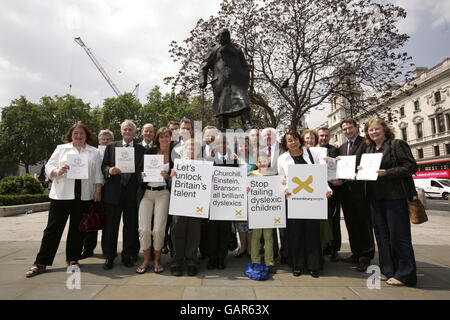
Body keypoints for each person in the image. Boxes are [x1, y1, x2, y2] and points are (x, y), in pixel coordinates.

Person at [26, 123, 104, 277]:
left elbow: (97, 173)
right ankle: (41, 262)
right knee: (53, 229)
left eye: (82, 134)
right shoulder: (61, 149)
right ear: (71, 135)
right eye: (76, 133)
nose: (79, 136)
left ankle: (73, 259)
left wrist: (98, 190)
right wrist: (57, 171)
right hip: (61, 195)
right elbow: (49, 167)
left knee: (78, 229)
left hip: (83, 195)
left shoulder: (94, 152)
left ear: (86, 135)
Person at [362, 118, 418, 286]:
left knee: (399, 236)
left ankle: (406, 274)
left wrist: (387, 172)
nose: (374, 132)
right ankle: (387, 270)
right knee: (382, 236)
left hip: (395, 198)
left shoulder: (396, 145)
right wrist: (362, 170)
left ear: (385, 130)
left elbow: (411, 167)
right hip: (376, 199)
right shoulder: (370, 149)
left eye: (377, 129)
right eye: (370, 130)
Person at [278, 131, 332, 278]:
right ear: (286, 144)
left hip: (312, 200)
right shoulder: (283, 158)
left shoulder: (312, 154)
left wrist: (327, 190)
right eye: (289, 141)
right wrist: (285, 189)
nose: (293, 143)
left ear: (299, 140)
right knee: (295, 233)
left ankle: (314, 265)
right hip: (293, 200)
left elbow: (320, 174)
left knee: (312, 232)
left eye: (295, 139)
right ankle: (297, 265)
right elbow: (281, 178)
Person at [101, 120, 146, 270]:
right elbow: (104, 165)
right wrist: (109, 170)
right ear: (121, 132)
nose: (127, 132)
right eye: (125, 129)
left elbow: (143, 170)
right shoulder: (111, 147)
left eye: (130, 129)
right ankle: (109, 256)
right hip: (114, 192)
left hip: (132, 193)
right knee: (111, 227)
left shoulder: (141, 150)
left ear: (135, 132)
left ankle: (128, 255)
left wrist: (143, 175)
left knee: (131, 226)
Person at [338, 118, 375, 272]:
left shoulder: (366, 143)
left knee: (364, 225)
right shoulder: (342, 147)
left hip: (362, 191)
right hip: (346, 193)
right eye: (345, 129)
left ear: (356, 127)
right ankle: (355, 253)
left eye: (350, 128)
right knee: (351, 224)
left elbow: (370, 165)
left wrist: (359, 172)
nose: (347, 131)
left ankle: (365, 257)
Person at [135, 127, 173, 274]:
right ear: (158, 139)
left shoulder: (174, 155)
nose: (164, 139)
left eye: (167, 136)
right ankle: (145, 260)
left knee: (158, 230)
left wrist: (168, 176)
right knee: (144, 229)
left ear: (171, 138)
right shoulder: (150, 152)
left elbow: (176, 176)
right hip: (147, 193)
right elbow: (139, 171)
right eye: (162, 137)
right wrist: (142, 174)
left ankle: (157, 261)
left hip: (163, 194)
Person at [199, 28, 252, 131]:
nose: (225, 36)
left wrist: (245, 76)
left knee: (243, 101)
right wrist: (202, 79)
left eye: (227, 34)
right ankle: (223, 126)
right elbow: (204, 66)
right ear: (218, 37)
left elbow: (244, 65)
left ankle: (247, 123)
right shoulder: (213, 50)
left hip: (237, 82)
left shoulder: (237, 49)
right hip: (221, 83)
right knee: (222, 104)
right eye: (223, 35)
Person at [170, 139, 203, 276]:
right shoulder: (178, 164)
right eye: (190, 147)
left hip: (196, 204)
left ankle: (191, 261)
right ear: (185, 149)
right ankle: (177, 261)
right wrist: (172, 177)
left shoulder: (204, 165)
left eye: (195, 148)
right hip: (180, 203)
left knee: (193, 233)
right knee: (178, 230)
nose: (192, 150)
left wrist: (210, 177)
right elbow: (171, 185)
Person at [80, 129, 114, 260]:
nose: (105, 141)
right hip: (93, 189)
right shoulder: (93, 153)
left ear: (112, 140)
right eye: (103, 139)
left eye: (108, 139)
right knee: (91, 218)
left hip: (110, 190)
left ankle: (108, 249)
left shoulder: (115, 152)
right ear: (99, 140)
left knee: (108, 222)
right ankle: (88, 248)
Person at [205, 134, 237, 270]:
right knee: (212, 230)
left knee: (225, 230)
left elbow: (237, 178)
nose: (221, 146)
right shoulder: (208, 159)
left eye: (224, 143)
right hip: (213, 201)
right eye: (218, 143)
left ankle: (221, 257)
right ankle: (211, 257)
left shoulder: (234, 159)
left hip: (227, 201)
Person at [302, 129, 333, 259]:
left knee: (321, 224)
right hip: (303, 194)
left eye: (312, 138)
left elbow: (325, 173)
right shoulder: (299, 153)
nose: (310, 140)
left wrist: (330, 162)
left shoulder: (322, 154)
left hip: (319, 193)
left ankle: (319, 253)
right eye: (307, 138)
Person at [248, 153, 277, 274]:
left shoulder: (274, 175)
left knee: (268, 237)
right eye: (260, 161)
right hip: (256, 211)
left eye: (265, 161)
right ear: (256, 163)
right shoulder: (250, 175)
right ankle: (255, 261)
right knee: (255, 237)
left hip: (269, 210)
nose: (262, 164)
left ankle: (269, 262)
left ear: (269, 162)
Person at [317, 127, 342, 262]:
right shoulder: (312, 151)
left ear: (330, 136)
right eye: (321, 136)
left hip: (332, 192)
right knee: (322, 222)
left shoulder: (335, 150)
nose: (324, 138)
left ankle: (334, 249)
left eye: (326, 136)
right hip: (316, 192)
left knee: (334, 221)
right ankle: (324, 246)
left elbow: (340, 169)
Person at [234, 137, 254, 258]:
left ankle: (251, 248)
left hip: (251, 195)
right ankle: (243, 247)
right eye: (241, 146)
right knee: (240, 222)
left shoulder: (255, 161)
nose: (243, 148)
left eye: (246, 145)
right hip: (238, 196)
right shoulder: (234, 161)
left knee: (250, 223)